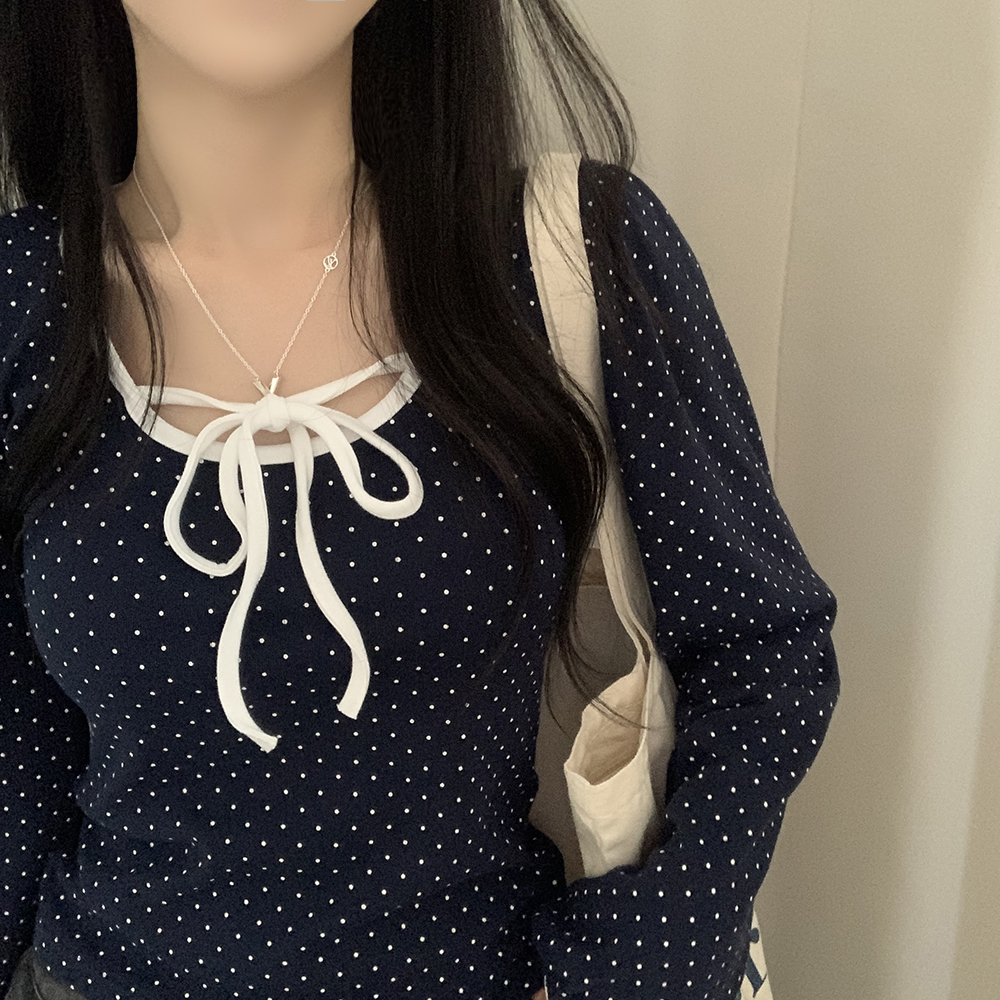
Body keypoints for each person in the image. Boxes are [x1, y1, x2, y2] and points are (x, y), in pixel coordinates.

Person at [0, 2, 840, 999]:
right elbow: (19, 749)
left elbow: (761, 652)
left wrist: (632, 963)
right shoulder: (24, 297)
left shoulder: (559, 260)